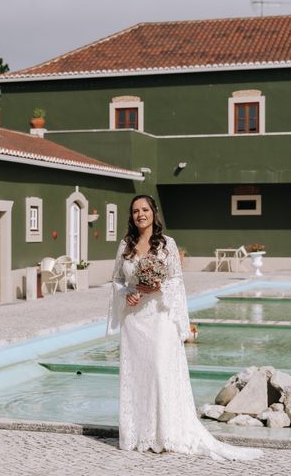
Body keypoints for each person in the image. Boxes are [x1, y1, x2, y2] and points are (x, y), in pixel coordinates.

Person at [107, 194, 262, 461]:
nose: (140, 214)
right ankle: (139, 434)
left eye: (145, 209)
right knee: (138, 373)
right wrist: (126, 295)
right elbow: (117, 280)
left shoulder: (167, 244)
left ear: (154, 213)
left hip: (159, 317)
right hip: (134, 322)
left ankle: (166, 433)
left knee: (159, 371)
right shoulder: (126, 245)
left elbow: (177, 281)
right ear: (131, 217)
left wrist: (158, 286)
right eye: (135, 211)